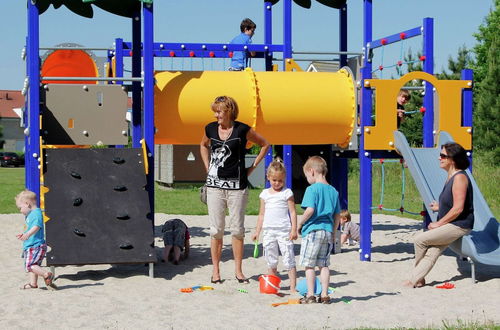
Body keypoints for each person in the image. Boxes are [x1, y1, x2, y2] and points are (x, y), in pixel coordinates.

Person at [200, 95, 270, 284]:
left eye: (219, 111)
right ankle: (215, 271)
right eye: (214, 111)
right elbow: (203, 145)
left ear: (229, 111)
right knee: (216, 230)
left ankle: (239, 271)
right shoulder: (210, 128)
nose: (216, 115)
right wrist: (208, 168)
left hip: (237, 187)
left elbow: (265, 144)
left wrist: (252, 168)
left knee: (237, 230)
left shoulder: (242, 129)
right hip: (215, 187)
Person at [403, 142, 474, 288]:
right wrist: (439, 206)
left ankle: (415, 278)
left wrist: (438, 224)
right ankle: (416, 279)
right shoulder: (451, 176)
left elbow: (458, 209)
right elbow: (455, 202)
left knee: (419, 240)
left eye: (442, 156)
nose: (439, 158)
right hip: (452, 224)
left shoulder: (460, 178)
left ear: (452, 159)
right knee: (432, 251)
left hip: (459, 225)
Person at [297, 156, 341, 304]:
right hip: (328, 231)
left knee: (309, 265)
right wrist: (334, 232)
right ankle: (324, 295)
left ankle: (310, 295)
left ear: (312, 171)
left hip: (313, 231)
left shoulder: (312, 189)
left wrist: (299, 223)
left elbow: (310, 210)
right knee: (324, 264)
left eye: (307, 176)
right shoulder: (334, 191)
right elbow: (337, 215)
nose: (307, 179)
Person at [251, 158, 298, 293]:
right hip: (269, 231)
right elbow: (261, 215)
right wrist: (257, 232)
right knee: (271, 259)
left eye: (280, 180)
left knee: (288, 258)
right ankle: (272, 286)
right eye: (274, 180)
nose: (277, 183)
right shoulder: (264, 194)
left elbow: (293, 212)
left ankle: (293, 287)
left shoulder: (287, 193)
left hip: (284, 230)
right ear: (268, 178)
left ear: (284, 179)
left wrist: (294, 229)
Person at [15, 190, 56, 290]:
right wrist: (24, 234)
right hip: (32, 245)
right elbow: (31, 228)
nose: (20, 211)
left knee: (30, 265)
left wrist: (28, 234)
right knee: (34, 265)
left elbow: (37, 226)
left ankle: (46, 274)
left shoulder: (36, 213)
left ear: (27, 204)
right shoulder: (31, 214)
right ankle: (33, 284)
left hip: (35, 245)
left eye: (20, 208)